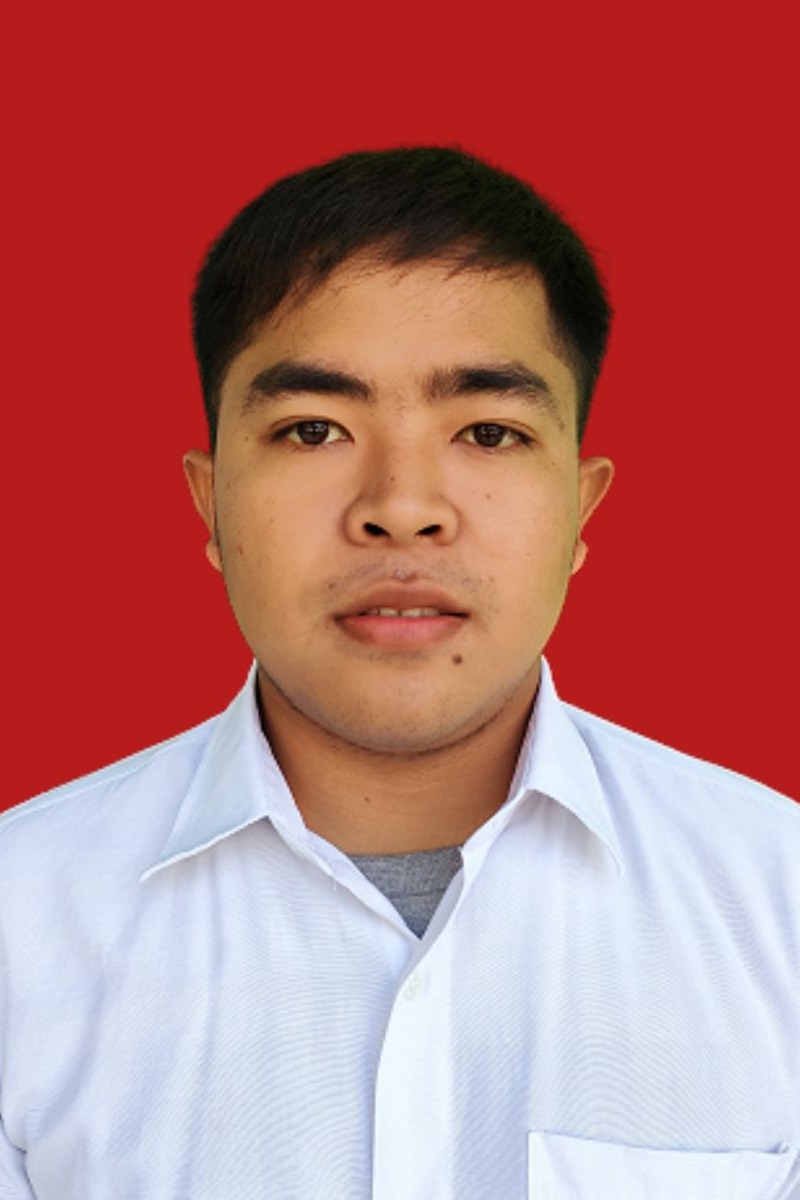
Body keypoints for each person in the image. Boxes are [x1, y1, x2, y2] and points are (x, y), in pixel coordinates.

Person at [0, 147, 797, 1200]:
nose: (402, 507)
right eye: (314, 429)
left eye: (488, 431)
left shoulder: (778, 901)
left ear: (581, 507)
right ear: (209, 502)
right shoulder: (21, 923)